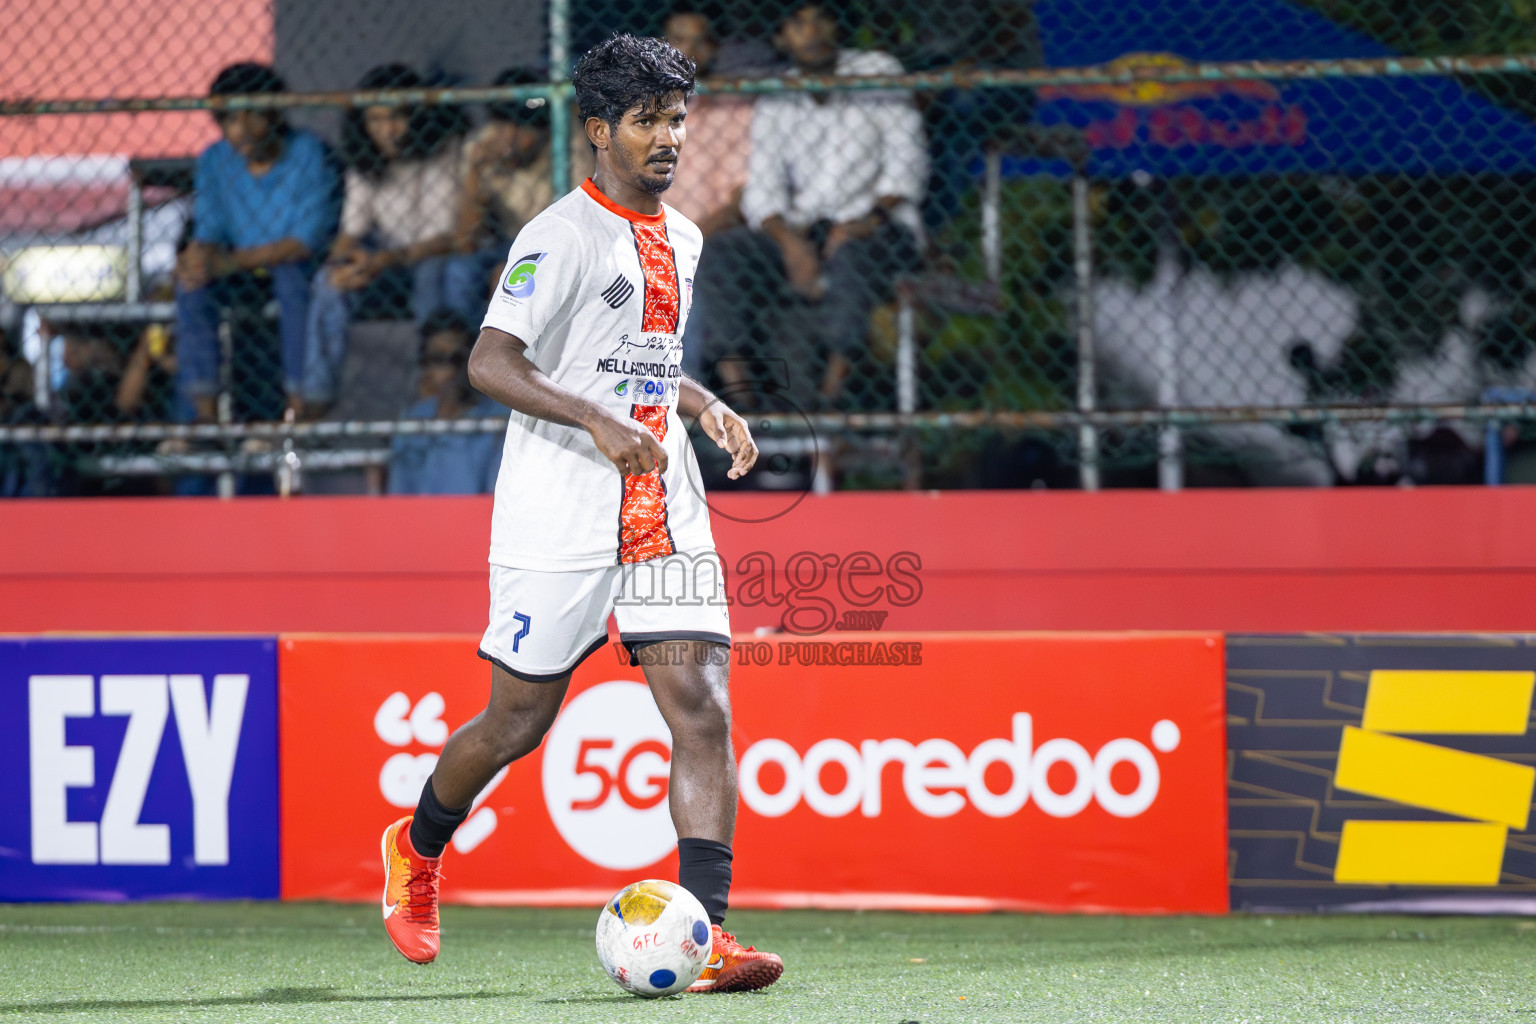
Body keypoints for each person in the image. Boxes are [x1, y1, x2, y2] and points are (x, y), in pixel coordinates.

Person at [379, 33, 781, 994]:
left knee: (704, 707)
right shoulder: (557, 235)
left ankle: (710, 934)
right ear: (598, 129)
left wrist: (699, 403)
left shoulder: (681, 237)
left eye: (678, 118)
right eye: (647, 120)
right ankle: (417, 846)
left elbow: (632, 358)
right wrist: (598, 422)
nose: (668, 137)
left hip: (663, 498)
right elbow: (492, 361)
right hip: (560, 504)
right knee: (518, 722)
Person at [695, 1, 928, 404]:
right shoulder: (776, 95)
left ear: (838, 28)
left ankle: (830, 399)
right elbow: (763, 190)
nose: (813, 32)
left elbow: (907, 164)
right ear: (782, 38)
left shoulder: (877, 71)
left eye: (822, 19)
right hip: (803, 227)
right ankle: (740, 398)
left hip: (878, 223)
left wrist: (861, 223)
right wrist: (789, 243)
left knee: (853, 256)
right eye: (799, 23)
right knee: (721, 254)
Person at [302, 64, 474, 417]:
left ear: (417, 115)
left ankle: (435, 390)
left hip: (433, 256)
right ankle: (315, 397)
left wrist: (381, 260)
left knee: (435, 276)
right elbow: (351, 232)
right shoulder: (365, 161)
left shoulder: (445, 149)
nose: (387, 130)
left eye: (396, 117)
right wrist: (340, 265)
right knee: (327, 283)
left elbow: (449, 237)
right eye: (375, 120)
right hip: (389, 266)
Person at [175, 62, 341, 423]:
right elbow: (209, 228)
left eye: (253, 115)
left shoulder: (309, 153)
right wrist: (198, 256)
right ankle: (202, 410)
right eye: (230, 120)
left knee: (291, 277)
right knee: (191, 285)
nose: (242, 130)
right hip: (237, 271)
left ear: (274, 111)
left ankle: (300, 398)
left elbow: (302, 242)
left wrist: (229, 261)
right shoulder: (215, 160)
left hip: (293, 267)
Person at [452, 68, 596, 305]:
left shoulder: (570, 143)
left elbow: (576, 229)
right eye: (503, 124)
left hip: (563, 245)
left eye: (522, 127)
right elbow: (464, 242)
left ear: (544, 128)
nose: (510, 138)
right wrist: (476, 175)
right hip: (506, 241)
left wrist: (518, 262)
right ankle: (464, 341)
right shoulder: (481, 147)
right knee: (458, 271)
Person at [386, 309, 505, 495]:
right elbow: (400, 492)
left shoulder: (499, 419)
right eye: (440, 360)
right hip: (422, 519)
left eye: (458, 359)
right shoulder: (412, 420)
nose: (451, 370)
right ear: (426, 367)